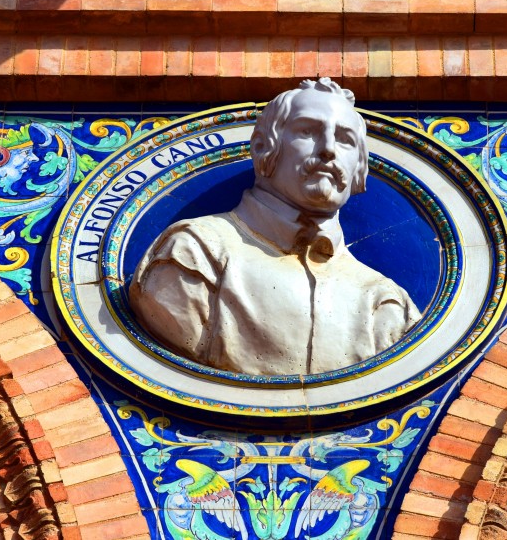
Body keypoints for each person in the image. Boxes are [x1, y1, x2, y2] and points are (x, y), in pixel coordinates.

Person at [129, 78, 420, 376]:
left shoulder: (386, 303)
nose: (329, 150)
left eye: (345, 139)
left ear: (360, 169)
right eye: (308, 131)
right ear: (263, 147)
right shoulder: (193, 254)